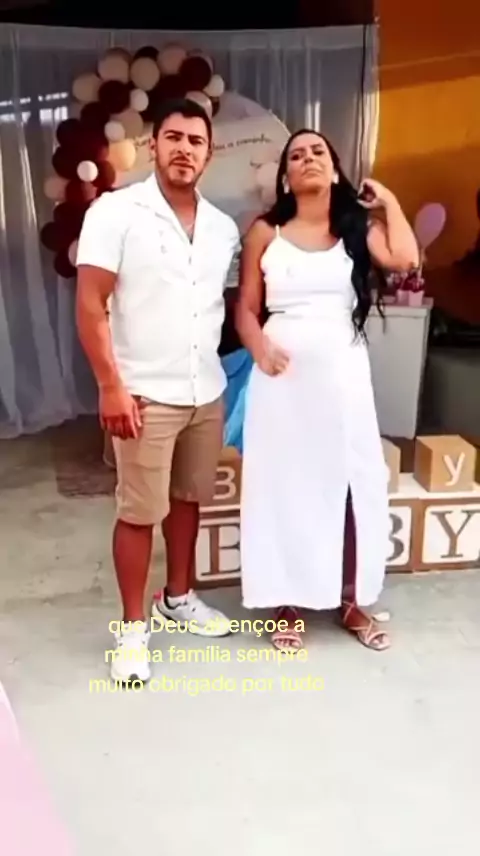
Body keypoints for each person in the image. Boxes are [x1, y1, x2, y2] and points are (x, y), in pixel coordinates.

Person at [235, 129, 419, 652]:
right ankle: (286, 602)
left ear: (335, 169)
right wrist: (258, 347)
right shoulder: (265, 232)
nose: (308, 159)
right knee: (284, 484)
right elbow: (245, 306)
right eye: (296, 155)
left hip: (343, 379)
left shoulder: (356, 228)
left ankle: (351, 600)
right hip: (281, 384)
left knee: (352, 481)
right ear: (285, 177)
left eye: (318, 152)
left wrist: (389, 202)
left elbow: (404, 259)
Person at [75, 98, 240, 683]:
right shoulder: (116, 212)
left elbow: (214, 307)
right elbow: (90, 304)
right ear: (153, 146)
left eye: (196, 141)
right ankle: (131, 629)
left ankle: (179, 597)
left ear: (209, 154)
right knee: (139, 512)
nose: (184, 150)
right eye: (173, 138)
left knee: (189, 499)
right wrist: (110, 387)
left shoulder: (222, 228)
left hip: (205, 391)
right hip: (144, 393)